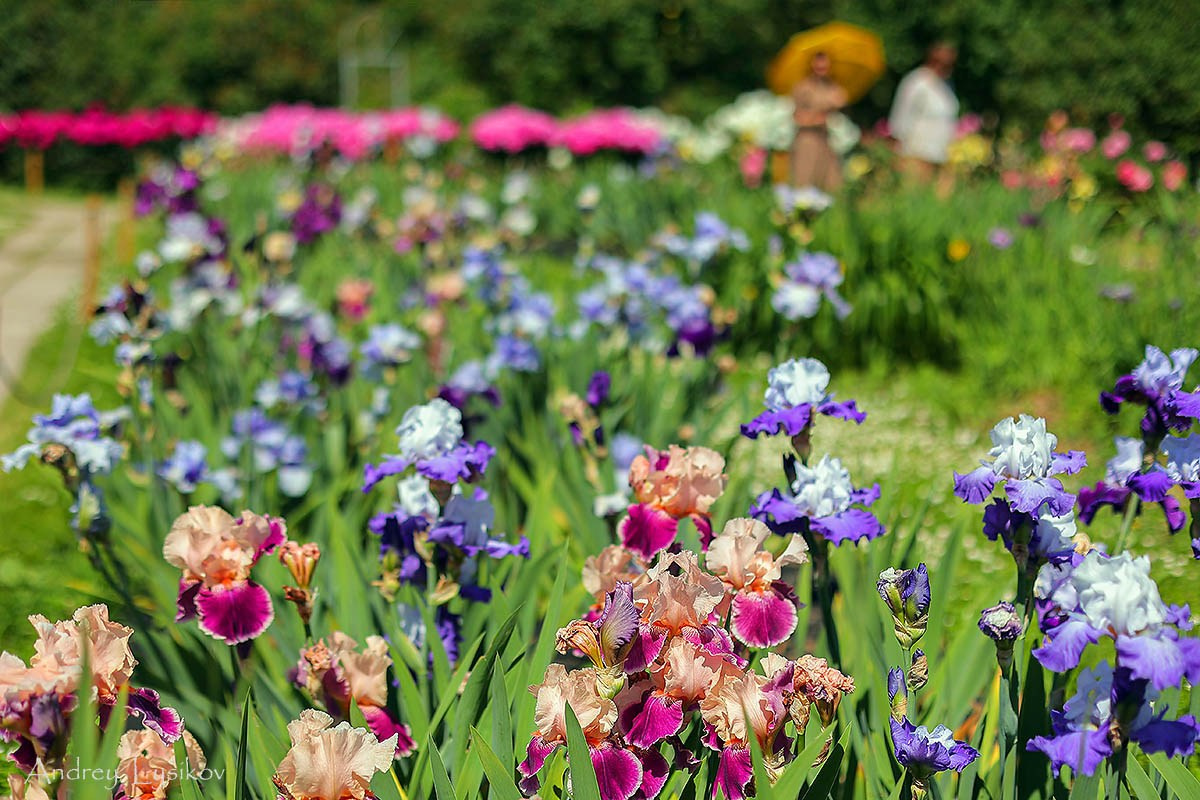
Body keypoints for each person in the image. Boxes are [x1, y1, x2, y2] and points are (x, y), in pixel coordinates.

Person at [889, 43, 959, 185]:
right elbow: (901, 116)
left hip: (941, 154)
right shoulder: (916, 82)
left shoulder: (947, 84)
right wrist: (897, 148)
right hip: (916, 153)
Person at [790, 51, 847, 191]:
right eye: (818, 63)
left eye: (825, 64)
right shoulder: (803, 88)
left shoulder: (835, 88)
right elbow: (795, 117)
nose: (822, 67)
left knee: (832, 184)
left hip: (827, 141)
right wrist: (816, 119)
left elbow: (841, 115)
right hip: (807, 140)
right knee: (804, 183)